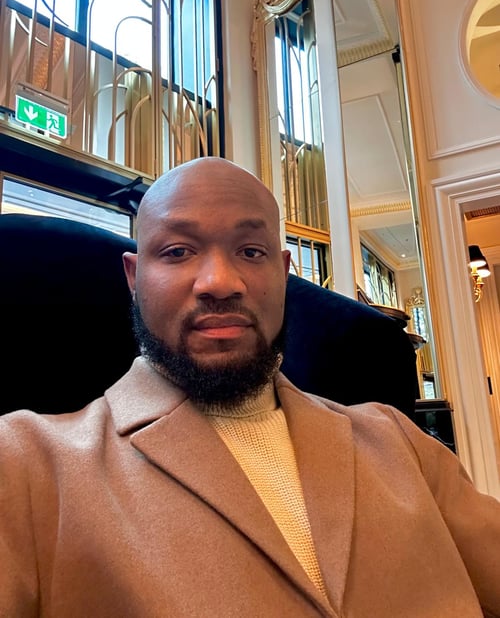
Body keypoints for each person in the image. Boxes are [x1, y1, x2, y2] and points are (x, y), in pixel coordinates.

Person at [0, 156, 499, 617]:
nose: (220, 282)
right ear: (134, 277)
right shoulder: (25, 464)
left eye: (251, 251)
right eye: (178, 251)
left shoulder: (398, 441)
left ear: (282, 274)